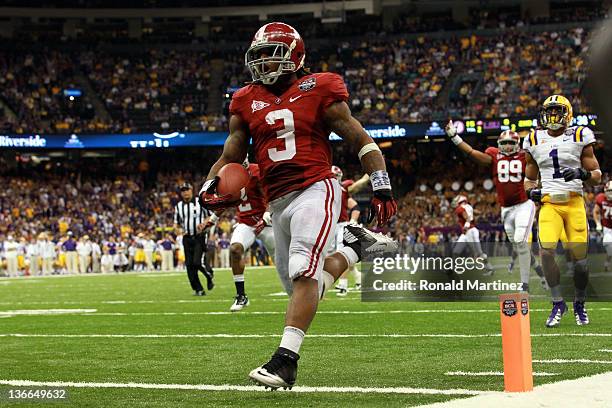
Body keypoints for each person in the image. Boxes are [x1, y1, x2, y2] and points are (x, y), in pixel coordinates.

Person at [199, 22, 397, 389]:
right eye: (258, 55)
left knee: (303, 269)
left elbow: (358, 137)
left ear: (294, 54)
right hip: (276, 202)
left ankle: (285, 361)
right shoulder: (245, 98)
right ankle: (355, 249)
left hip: (315, 187)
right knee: (303, 289)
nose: (263, 62)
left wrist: (382, 185)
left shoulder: (319, 86)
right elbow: (232, 152)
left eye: (270, 53)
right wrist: (210, 184)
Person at [523, 94, 601, 327]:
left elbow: (597, 175)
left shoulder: (580, 135)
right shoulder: (533, 139)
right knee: (546, 252)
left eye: (558, 111)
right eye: (550, 111)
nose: (553, 116)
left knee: (580, 263)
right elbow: (529, 179)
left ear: (567, 113)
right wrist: (530, 193)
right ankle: (558, 302)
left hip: (574, 202)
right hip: (549, 204)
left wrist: (582, 174)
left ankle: (579, 302)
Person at [445, 124, 546, 291]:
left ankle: (524, 285)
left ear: (518, 144)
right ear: (499, 143)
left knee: (521, 241)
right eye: (504, 142)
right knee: (520, 246)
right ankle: (540, 272)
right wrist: (455, 137)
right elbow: (472, 153)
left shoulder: (525, 156)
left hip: (523, 205)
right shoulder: (494, 155)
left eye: (511, 143)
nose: (507, 146)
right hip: (505, 209)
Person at [222, 159, 275, 312]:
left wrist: (266, 213)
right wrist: (211, 219)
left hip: (265, 222)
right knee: (235, 249)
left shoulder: (257, 170)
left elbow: (272, 193)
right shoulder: (228, 173)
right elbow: (225, 200)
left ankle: (298, 294)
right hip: (245, 222)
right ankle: (241, 296)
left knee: (282, 261)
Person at [174, 182, 214, 296]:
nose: (185, 192)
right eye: (183, 190)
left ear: (192, 190)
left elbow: (210, 216)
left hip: (199, 237)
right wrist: (178, 231)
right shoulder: (178, 206)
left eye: (187, 189)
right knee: (189, 265)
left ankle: (208, 275)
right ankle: (198, 289)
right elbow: (176, 224)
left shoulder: (200, 202)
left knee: (196, 262)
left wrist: (204, 224)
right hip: (186, 237)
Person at [450, 194, 494, 275]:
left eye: (456, 200)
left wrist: (466, 226)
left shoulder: (460, 208)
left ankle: (489, 268)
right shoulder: (468, 206)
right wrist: (480, 213)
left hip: (470, 231)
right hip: (466, 233)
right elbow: (473, 213)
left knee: (479, 253)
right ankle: (453, 270)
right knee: (456, 251)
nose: (455, 202)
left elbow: (467, 218)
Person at [593, 181, 612, 272]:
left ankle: (607, 263)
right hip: (607, 228)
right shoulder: (601, 198)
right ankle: (607, 263)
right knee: (610, 249)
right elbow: (596, 211)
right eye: (609, 190)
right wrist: (598, 223)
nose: (611, 193)